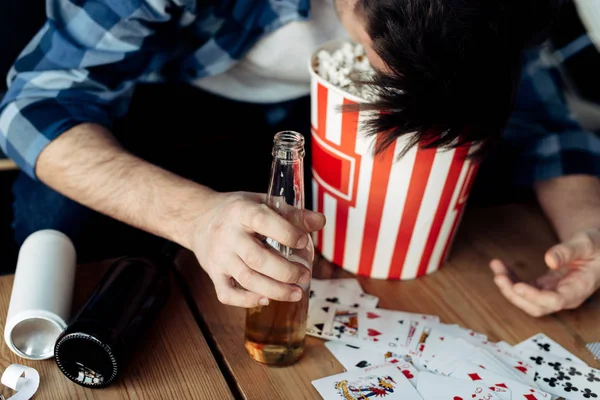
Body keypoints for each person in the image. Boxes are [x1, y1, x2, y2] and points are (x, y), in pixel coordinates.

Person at [0, 0, 598, 317]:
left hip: (306, 129)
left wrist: (588, 235)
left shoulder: (497, 17)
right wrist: (193, 217)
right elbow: (33, 105)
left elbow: (544, 126)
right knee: (56, 228)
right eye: (392, 66)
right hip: (164, 102)